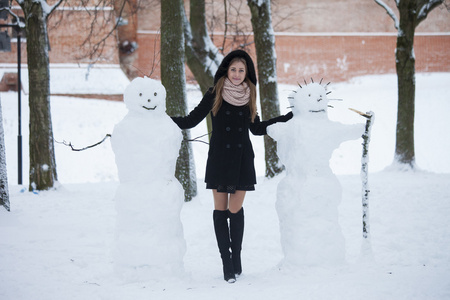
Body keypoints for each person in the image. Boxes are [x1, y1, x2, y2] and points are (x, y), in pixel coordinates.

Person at [170, 50, 292, 283]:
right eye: (233, 69)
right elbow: (191, 120)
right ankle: (226, 263)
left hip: (242, 159)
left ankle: (236, 257)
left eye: (241, 70)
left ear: (247, 74)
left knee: (235, 212)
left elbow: (256, 129)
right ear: (227, 70)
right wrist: (161, 118)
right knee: (220, 211)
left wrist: (285, 118)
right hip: (219, 159)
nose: (236, 74)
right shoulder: (215, 92)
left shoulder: (249, 95)